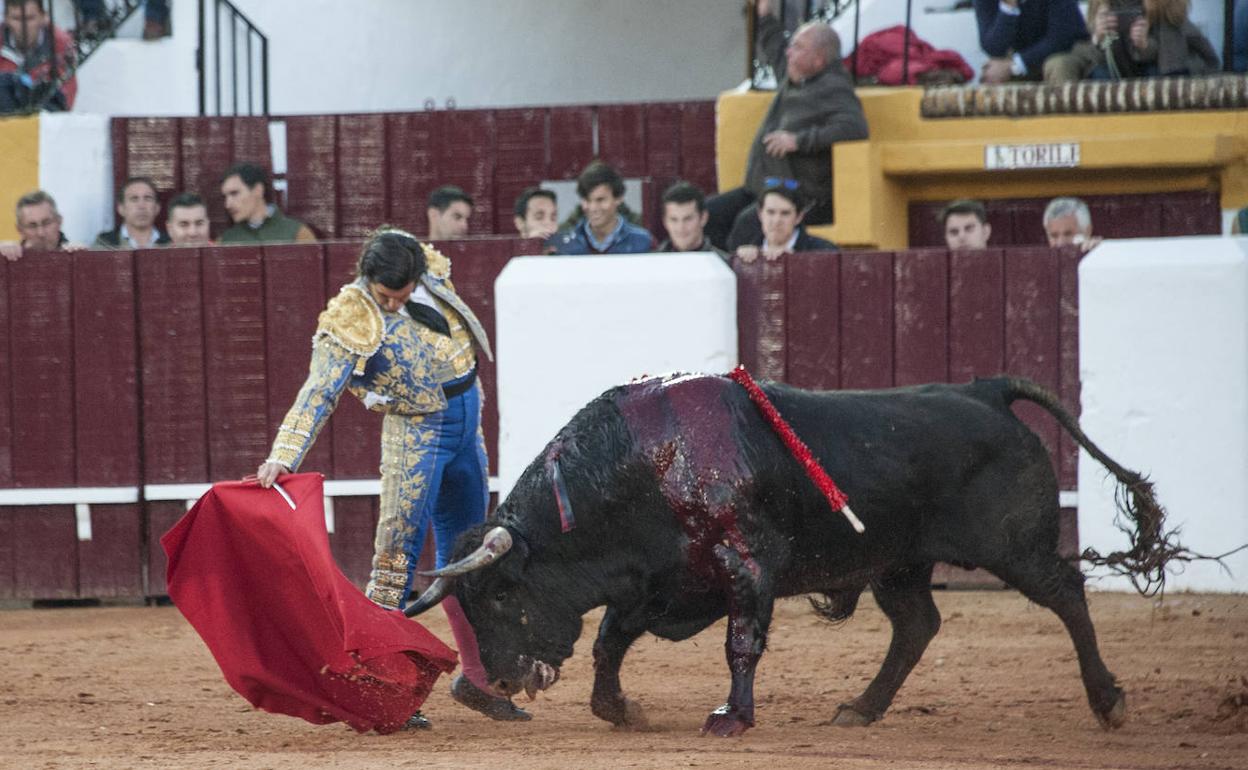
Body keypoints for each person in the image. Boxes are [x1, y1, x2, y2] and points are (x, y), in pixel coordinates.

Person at [255, 227, 529, 727]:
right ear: (368, 280)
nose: (397, 305)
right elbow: (319, 391)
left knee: (469, 557)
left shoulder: (423, 272)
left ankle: (477, 678)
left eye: (404, 295)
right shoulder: (352, 316)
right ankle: (387, 693)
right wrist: (285, 454)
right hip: (417, 437)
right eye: (388, 298)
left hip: (468, 429)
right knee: (394, 565)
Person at [705, 0, 868, 252]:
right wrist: (765, 13)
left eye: (799, 48)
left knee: (745, 224)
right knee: (706, 215)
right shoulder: (795, 75)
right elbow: (774, 46)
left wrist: (798, 141)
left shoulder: (833, 87)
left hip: (796, 196)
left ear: (819, 59)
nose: (789, 52)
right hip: (760, 188)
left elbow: (854, 127)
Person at [1046, 0, 1219, 82]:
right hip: (1118, 69)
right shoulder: (1102, 4)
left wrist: (1143, 45)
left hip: (1169, 69)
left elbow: (1173, 64)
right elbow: (1093, 54)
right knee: (1099, 75)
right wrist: (1098, 38)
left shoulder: (1165, 6)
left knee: (1154, 78)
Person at [551, 161, 653, 255]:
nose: (593, 208)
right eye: (587, 200)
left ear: (618, 198)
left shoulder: (643, 241)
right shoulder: (565, 244)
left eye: (600, 200)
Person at [973, 0, 1088, 83]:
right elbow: (993, 48)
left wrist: (1015, 65)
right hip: (1024, 57)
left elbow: (1061, 38)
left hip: (1070, 51)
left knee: (1058, 65)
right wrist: (1008, 8)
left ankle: (1066, 116)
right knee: (992, 73)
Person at [734, 179, 837, 263]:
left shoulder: (825, 251)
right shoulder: (744, 251)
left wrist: (797, 261)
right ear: (760, 214)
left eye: (785, 213)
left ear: (798, 217)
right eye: (771, 212)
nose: (776, 220)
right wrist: (739, 262)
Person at [1, 0, 76, 112]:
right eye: (16, 19)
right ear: (6, 18)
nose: (23, 26)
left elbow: (67, 93)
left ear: (43, 17)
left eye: (30, 18)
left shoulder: (60, 45)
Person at [218, 163, 316, 244]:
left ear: (258, 190)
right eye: (225, 197)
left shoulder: (298, 234)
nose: (227, 204)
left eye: (235, 193)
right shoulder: (225, 240)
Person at [0, 189, 84, 260]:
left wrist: (86, 258)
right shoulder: (8, 260)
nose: (41, 233)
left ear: (59, 221)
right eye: (32, 226)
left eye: (46, 223)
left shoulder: (76, 255)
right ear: (20, 229)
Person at [656, 181, 729, 262]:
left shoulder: (725, 265)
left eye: (688, 219)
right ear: (665, 222)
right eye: (674, 220)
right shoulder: (649, 265)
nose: (681, 227)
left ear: (703, 218)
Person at [93, 176, 171, 249]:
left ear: (157, 208)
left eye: (148, 198)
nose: (141, 206)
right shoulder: (104, 243)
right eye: (134, 199)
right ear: (121, 208)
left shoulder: (170, 243)